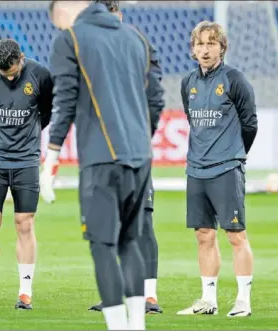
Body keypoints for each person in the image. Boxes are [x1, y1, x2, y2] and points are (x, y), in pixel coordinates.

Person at [43, 1, 164, 329]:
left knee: (103, 245)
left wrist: (51, 158)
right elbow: (156, 99)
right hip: (141, 158)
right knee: (130, 242)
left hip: (100, 159)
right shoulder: (136, 38)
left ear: (65, 10)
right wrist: (141, 139)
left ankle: (117, 325)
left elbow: (64, 100)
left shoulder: (71, 39)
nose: (59, 28)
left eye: (58, 21)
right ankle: (136, 326)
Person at [83, 0, 163, 315]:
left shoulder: (138, 47)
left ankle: (150, 296)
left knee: (142, 219)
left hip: (133, 150)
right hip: (103, 151)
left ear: (120, 16)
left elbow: (154, 97)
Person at [177, 21, 258, 317]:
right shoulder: (188, 82)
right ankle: (208, 300)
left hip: (226, 168)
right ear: (192, 50)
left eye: (211, 43)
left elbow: (250, 123)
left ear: (222, 47)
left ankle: (243, 301)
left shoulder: (235, 79)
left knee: (236, 234)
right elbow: (192, 120)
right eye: (200, 44)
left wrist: (235, 154)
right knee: (203, 235)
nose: (205, 49)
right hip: (196, 168)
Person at [0, 39, 53, 311]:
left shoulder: (41, 75)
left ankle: (25, 293)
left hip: (26, 160)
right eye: (5, 74)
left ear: (22, 58)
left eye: (14, 70)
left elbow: (46, 114)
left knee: (24, 223)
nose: (11, 76)